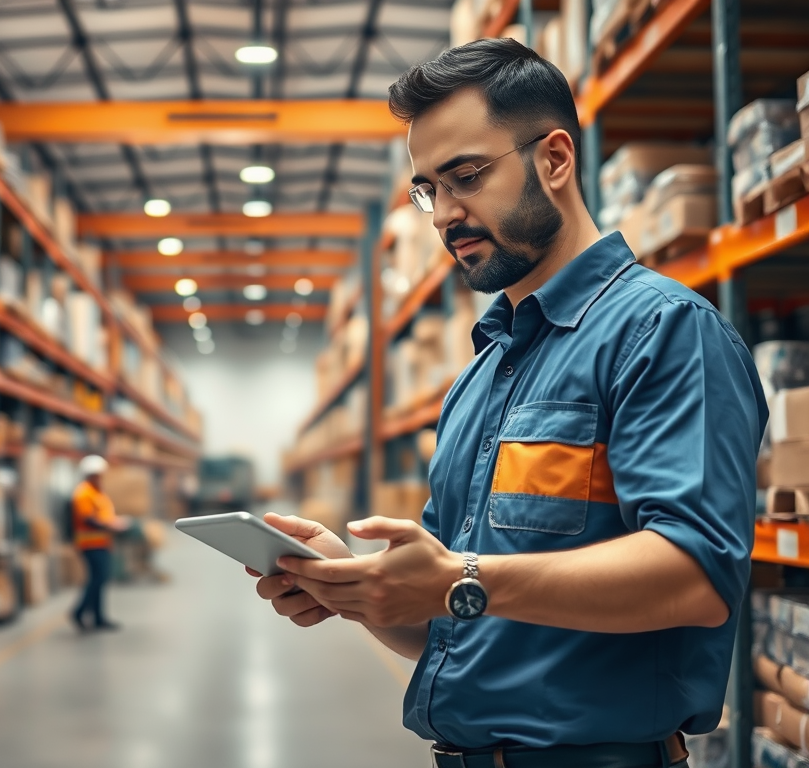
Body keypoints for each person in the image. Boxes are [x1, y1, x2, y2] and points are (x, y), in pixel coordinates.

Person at [252, 38, 768, 768]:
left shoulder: (664, 333)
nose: (442, 215)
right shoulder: (482, 371)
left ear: (554, 159)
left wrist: (462, 582)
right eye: (428, 189)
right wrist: (361, 590)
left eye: (465, 176)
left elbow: (696, 576)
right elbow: (457, 618)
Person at [71, 455, 128, 631]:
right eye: (97, 475)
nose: (100, 478)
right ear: (90, 475)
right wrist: (110, 525)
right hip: (90, 544)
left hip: (102, 543)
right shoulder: (83, 493)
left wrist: (115, 521)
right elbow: (88, 519)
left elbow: (103, 514)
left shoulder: (97, 492)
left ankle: (98, 618)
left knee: (100, 580)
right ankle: (79, 612)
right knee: (97, 579)